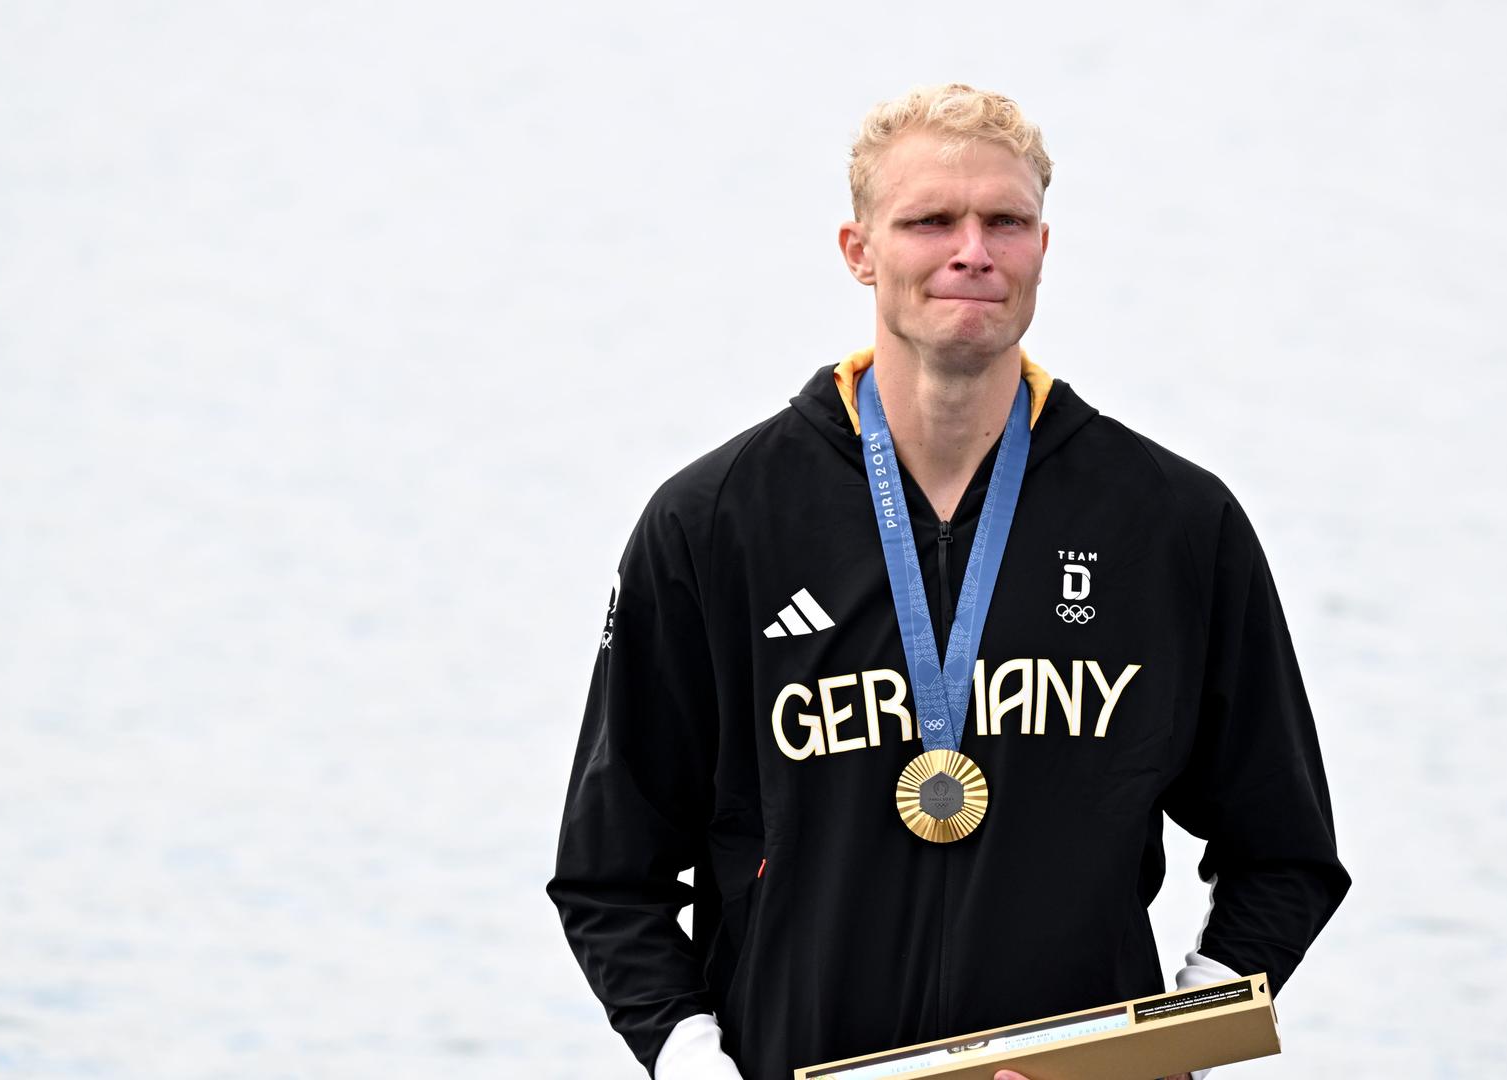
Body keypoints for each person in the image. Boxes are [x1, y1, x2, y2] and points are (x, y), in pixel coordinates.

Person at [547, 83, 1350, 1080]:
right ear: (859, 250)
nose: (973, 249)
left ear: (1042, 251)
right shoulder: (714, 523)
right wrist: (697, 1063)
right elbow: (607, 875)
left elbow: (1288, 855)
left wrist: (1154, 1051)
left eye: (1005, 222)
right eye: (931, 220)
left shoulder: (1171, 523)